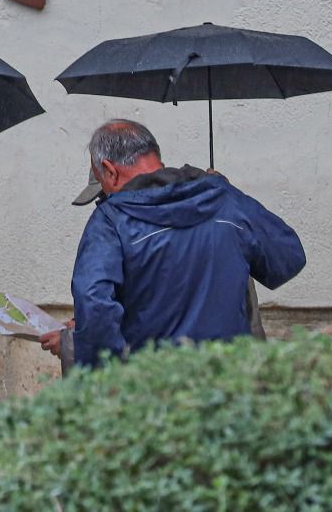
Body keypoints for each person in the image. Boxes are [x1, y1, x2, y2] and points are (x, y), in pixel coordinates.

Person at [47, 119, 304, 368]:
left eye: (102, 186)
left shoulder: (110, 220)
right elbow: (288, 257)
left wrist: (95, 368)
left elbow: (94, 301)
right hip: (229, 384)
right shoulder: (223, 199)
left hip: (157, 389)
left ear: (110, 170)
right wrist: (229, 193)